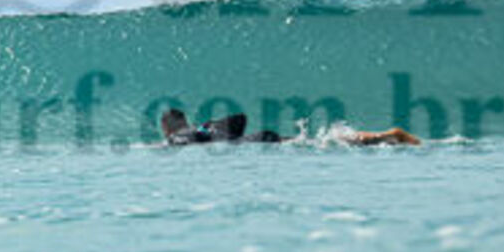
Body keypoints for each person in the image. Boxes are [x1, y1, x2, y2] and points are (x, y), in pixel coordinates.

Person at [159, 108, 420, 147]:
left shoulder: (177, 138)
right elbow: (240, 119)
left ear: (167, 128)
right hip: (258, 138)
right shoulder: (206, 126)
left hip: (251, 144)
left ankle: (385, 137)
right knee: (323, 142)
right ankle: (385, 136)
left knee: (321, 144)